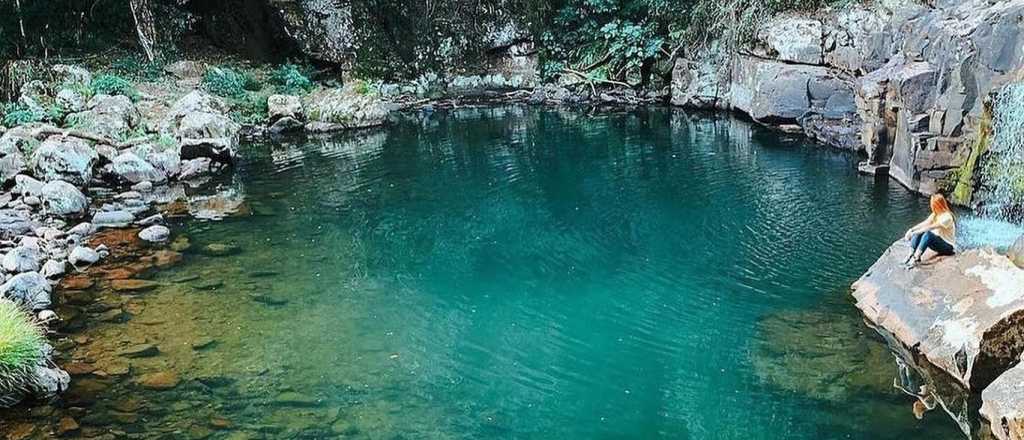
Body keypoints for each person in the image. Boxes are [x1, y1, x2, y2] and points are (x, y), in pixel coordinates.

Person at [903, 194, 957, 267]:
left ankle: (916, 257)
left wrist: (913, 233)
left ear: (937, 205)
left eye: (932, 204)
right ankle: (910, 254)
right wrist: (911, 229)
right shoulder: (935, 214)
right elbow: (925, 223)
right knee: (920, 232)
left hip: (948, 247)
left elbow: (930, 227)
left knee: (927, 234)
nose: (931, 206)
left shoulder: (947, 217)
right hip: (939, 242)